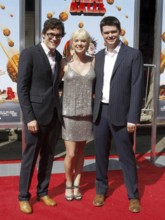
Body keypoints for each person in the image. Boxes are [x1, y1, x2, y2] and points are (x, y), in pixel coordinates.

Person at [92, 16, 144, 213]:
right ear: (102, 34)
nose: (110, 35)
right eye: (106, 32)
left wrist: (133, 117)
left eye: (113, 32)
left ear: (120, 31)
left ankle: (133, 195)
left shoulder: (133, 55)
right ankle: (100, 189)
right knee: (100, 155)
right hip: (100, 112)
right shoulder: (98, 56)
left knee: (127, 157)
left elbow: (137, 87)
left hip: (123, 115)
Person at [17, 18, 65, 214]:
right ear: (43, 35)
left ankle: (43, 191)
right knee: (30, 157)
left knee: (48, 156)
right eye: (51, 35)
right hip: (35, 117)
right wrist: (29, 117)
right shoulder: (30, 54)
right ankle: (23, 197)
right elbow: (22, 88)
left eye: (58, 35)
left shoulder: (59, 56)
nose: (54, 38)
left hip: (53, 114)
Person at [60, 28, 95, 201]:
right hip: (68, 115)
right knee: (71, 154)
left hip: (87, 115)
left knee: (81, 153)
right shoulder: (64, 63)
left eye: (83, 41)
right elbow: (52, 85)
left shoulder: (94, 62)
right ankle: (68, 182)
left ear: (88, 44)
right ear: (72, 43)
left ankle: (77, 183)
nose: (80, 44)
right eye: (77, 41)